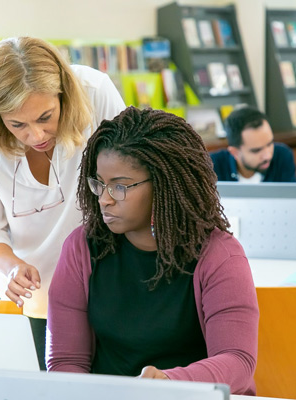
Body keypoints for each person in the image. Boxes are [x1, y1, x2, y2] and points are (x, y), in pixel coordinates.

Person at [47, 107, 259, 394]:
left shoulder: (219, 255)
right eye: (99, 184)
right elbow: (66, 362)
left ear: (165, 185)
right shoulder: (81, 248)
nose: (104, 200)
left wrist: (168, 384)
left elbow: (238, 361)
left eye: (120, 186)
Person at [0, 36, 125, 369]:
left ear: (64, 94)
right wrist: (10, 268)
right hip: (35, 299)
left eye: (46, 116)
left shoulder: (95, 92)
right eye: (17, 124)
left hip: (112, 282)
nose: (37, 135)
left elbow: (131, 173)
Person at [210, 107, 296, 182]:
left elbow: (294, 199)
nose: (267, 156)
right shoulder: (212, 166)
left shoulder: (282, 156)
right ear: (234, 152)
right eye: (256, 150)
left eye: (269, 144)